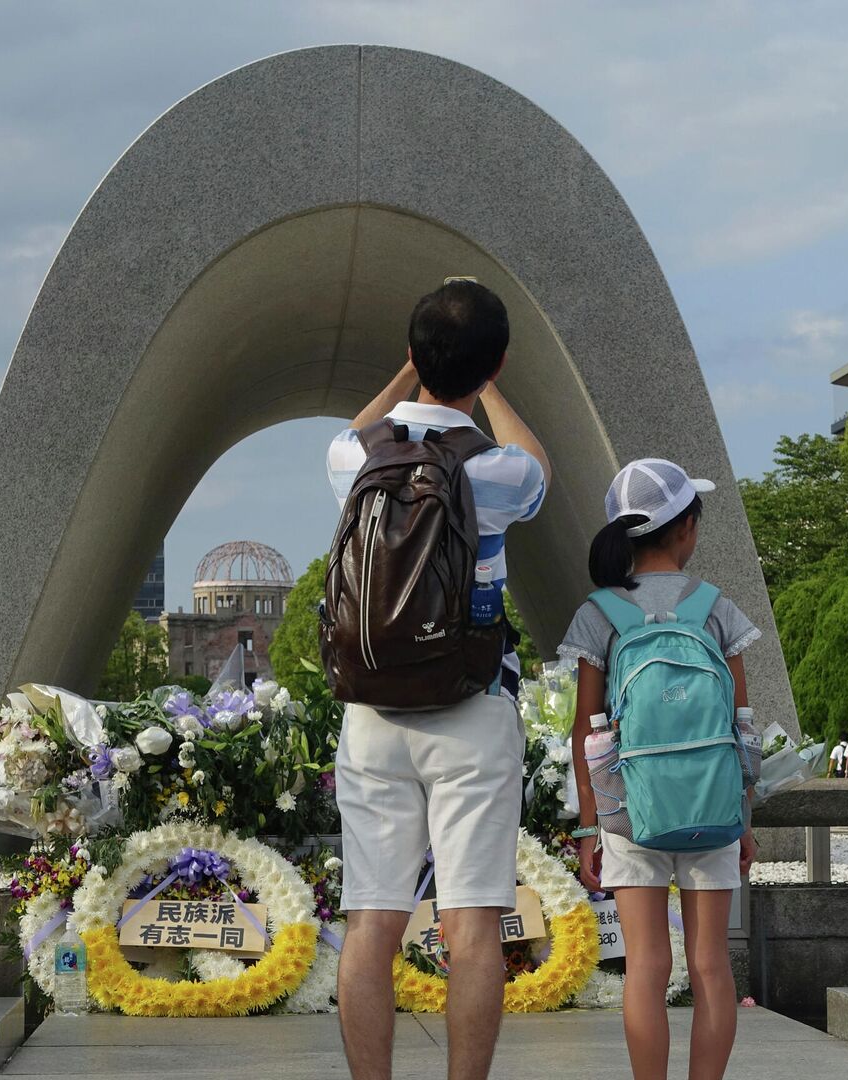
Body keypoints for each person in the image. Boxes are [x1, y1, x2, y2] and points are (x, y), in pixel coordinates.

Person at [326, 279, 550, 1080]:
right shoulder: (496, 471)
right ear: (493, 363)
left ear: (415, 356)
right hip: (471, 707)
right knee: (472, 926)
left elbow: (355, 428)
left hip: (373, 712)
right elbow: (538, 463)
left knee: (370, 924)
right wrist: (489, 387)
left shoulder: (355, 460)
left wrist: (406, 374)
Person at [563, 460, 760, 1080]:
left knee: (647, 966)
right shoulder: (714, 606)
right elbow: (740, 725)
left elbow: (585, 728)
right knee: (710, 965)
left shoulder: (601, 613)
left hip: (630, 810)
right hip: (713, 809)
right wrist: (743, 818)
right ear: (686, 530)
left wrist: (592, 828)